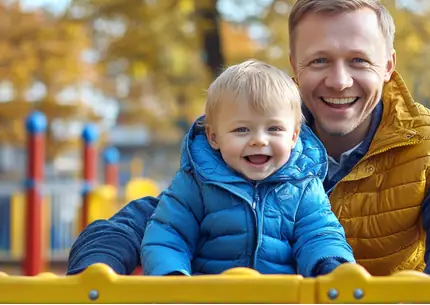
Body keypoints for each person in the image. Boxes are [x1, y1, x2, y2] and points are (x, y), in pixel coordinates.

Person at [67, 0, 430, 277]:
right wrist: (98, 267)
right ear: (295, 66)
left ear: (389, 66)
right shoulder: (257, 134)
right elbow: (165, 214)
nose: (339, 81)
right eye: (320, 61)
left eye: (359, 60)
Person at [140, 60, 355, 277]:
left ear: (293, 136)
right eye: (242, 129)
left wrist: (329, 265)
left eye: (274, 128)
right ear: (214, 137)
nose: (259, 140)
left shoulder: (302, 185)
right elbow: (168, 235)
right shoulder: (196, 182)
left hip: (278, 299)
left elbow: (319, 234)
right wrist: (172, 276)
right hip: (211, 300)